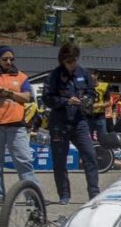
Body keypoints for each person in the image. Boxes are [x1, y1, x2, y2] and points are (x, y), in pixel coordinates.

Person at [0, 46, 36, 206]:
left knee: (23, 160)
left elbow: (27, 97)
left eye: (11, 59)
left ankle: (32, 195)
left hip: (16, 125)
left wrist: (10, 93)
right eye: (5, 59)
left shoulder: (22, 77)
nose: (9, 62)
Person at [43, 43, 100, 204]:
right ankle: (64, 195)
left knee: (90, 155)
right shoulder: (53, 76)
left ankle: (94, 194)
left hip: (79, 121)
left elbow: (92, 93)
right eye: (68, 61)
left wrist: (87, 100)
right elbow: (47, 98)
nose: (72, 64)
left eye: (74, 60)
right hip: (59, 122)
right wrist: (66, 101)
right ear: (62, 60)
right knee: (60, 159)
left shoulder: (84, 73)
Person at [90, 71, 109, 142]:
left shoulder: (104, 86)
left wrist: (98, 105)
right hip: (88, 116)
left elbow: (109, 102)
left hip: (100, 115)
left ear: (96, 75)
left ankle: (102, 152)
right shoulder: (85, 86)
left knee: (102, 139)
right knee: (88, 139)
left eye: (91, 75)